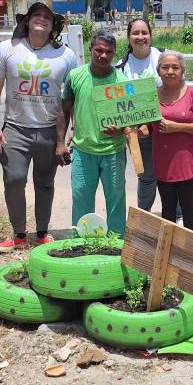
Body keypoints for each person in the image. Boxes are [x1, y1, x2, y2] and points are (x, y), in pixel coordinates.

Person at [0, 1, 77, 251]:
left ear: (54, 25)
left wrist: (72, 130)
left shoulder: (66, 55)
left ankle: (42, 233)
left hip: (50, 130)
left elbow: (72, 96)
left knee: (45, 182)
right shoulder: (7, 49)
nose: (41, 19)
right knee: (14, 179)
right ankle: (17, 234)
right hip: (15, 128)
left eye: (47, 17)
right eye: (36, 14)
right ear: (26, 20)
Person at [62, 30, 129, 235]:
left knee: (116, 198)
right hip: (83, 150)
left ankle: (117, 241)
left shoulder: (122, 80)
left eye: (109, 52)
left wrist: (122, 129)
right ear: (90, 50)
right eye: (99, 50)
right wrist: (59, 143)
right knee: (81, 196)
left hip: (114, 151)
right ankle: (80, 240)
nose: (103, 55)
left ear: (114, 54)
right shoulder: (75, 76)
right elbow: (64, 110)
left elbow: (131, 117)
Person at [152, 51, 193, 231]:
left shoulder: (191, 93)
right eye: (165, 67)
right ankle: (168, 248)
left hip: (188, 161)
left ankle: (190, 249)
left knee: (187, 204)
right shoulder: (151, 96)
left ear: (182, 70)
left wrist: (176, 127)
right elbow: (145, 127)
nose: (170, 71)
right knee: (167, 206)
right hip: (163, 160)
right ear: (158, 70)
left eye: (175, 67)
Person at [116, 18, 161, 212]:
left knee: (172, 174)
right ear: (128, 37)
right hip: (139, 132)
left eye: (144, 32)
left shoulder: (164, 59)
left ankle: (176, 216)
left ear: (151, 35)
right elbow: (119, 105)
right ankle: (144, 215)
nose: (140, 37)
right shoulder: (121, 67)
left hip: (167, 127)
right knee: (146, 176)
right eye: (135, 33)